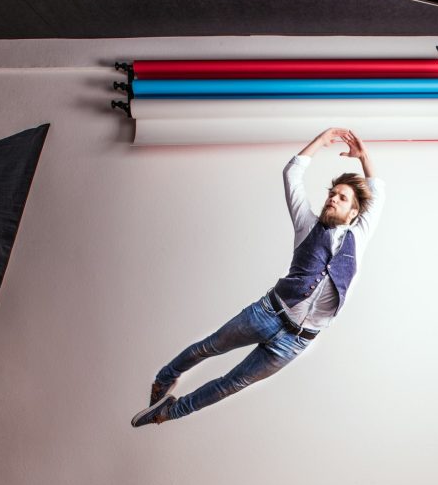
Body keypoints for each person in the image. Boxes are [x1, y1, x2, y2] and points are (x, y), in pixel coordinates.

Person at [132, 128, 384, 427]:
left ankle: (168, 412)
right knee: (208, 347)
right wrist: (319, 141)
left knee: (231, 384)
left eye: (341, 198)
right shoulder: (307, 224)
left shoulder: (360, 236)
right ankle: (164, 379)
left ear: (354, 212)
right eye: (331, 194)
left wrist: (364, 157)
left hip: (295, 342)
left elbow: (377, 193)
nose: (332, 199)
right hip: (267, 313)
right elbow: (292, 175)